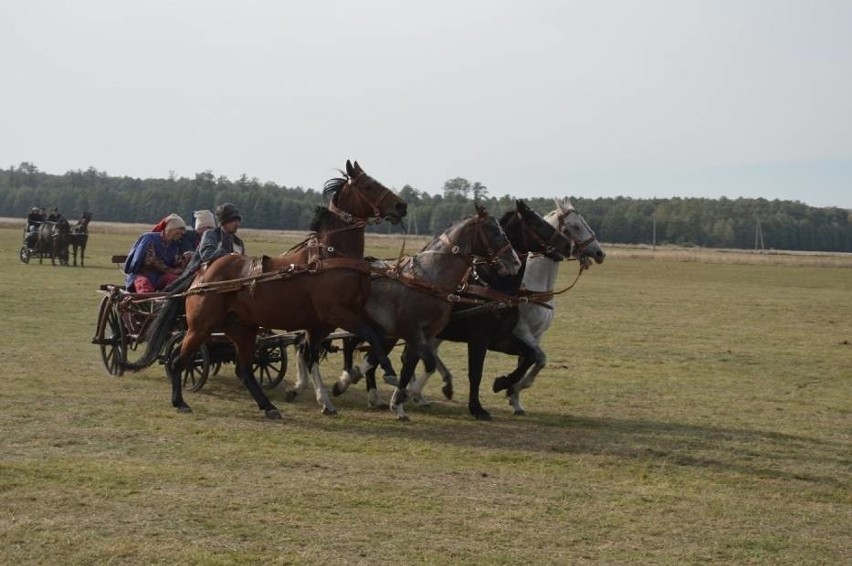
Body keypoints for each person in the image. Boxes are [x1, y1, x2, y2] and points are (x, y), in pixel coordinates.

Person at [165, 203, 246, 292]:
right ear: (224, 221)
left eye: (238, 221)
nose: (237, 224)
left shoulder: (238, 242)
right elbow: (207, 255)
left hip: (228, 281)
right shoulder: (211, 234)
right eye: (234, 220)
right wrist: (229, 256)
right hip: (199, 277)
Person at [123, 213, 189, 292]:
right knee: (144, 285)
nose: (181, 233)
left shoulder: (174, 245)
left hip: (159, 277)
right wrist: (172, 270)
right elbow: (150, 262)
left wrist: (186, 259)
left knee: (175, 280)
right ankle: (148, 303)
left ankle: (167, 301)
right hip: (141, 275)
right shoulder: (149, 239)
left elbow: (176, 261)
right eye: (179, 230)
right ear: (170, 228)